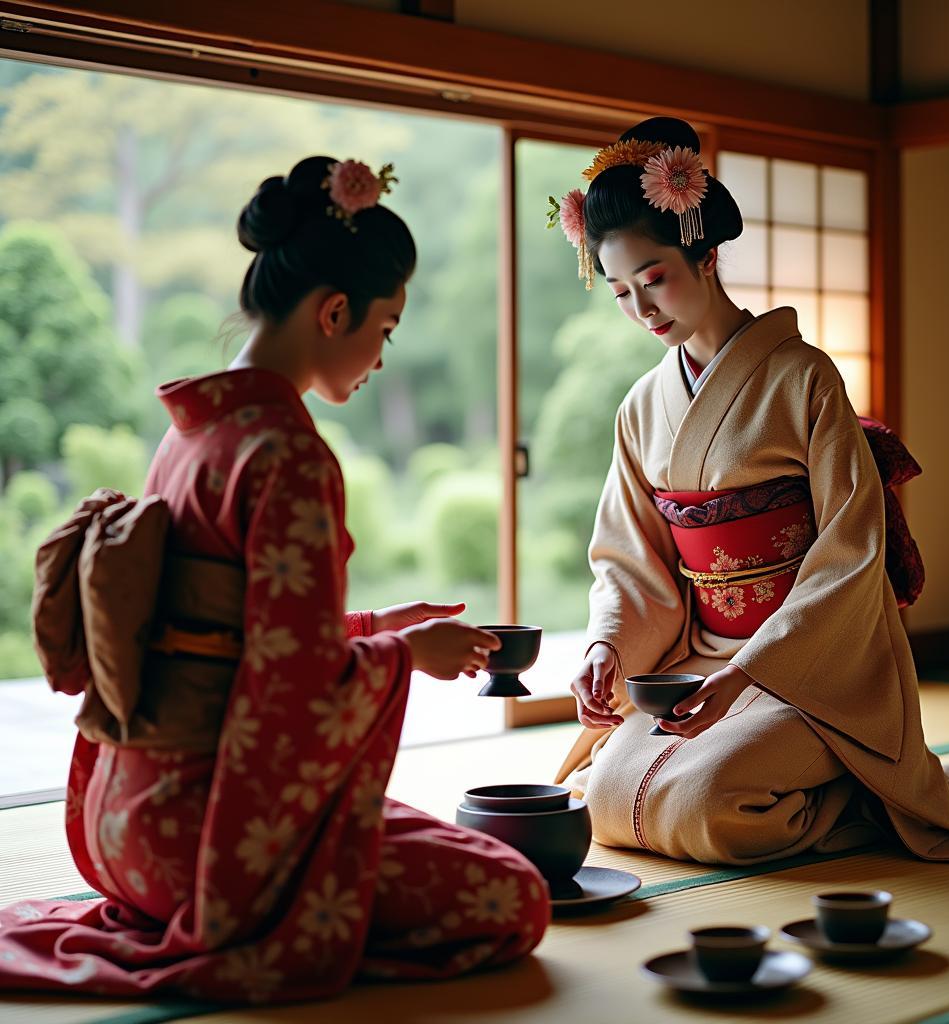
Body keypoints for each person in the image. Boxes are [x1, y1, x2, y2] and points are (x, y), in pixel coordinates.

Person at [0, 156, 549, 1002]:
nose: (381, 355)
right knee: (511, 895)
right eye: (387, 327)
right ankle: (279, 937)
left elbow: (231, 642)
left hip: (121, 826)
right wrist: (409, 655)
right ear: (335, 312)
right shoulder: (286, 451)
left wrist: (369, 629)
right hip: (203, 848)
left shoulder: (191, 432)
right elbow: (288, 692)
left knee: (439, 850)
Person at [551, 117, 949, 865]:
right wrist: (607, 646)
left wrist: (752, 671)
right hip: (699, 664)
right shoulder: (641, 406)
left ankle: (865, 794)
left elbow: (850, 551)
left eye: (654, 278)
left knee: (711, 807)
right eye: (619, 292)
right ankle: (848, 792)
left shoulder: (804, 378)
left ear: (703, 254)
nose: (642, 308)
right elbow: (628, 560)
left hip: (812, 669)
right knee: (609, 797)